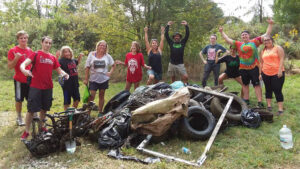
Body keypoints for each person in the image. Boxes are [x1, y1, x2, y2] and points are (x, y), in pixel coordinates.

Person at [20, 36, 69, 140]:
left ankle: (42, 127)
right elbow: (23, 64)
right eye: (46, 42)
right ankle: (27, 131)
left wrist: (65, 74)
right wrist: (24, 70)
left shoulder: (52, 57)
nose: (48, 45)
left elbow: (59, 70)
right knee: (31, 110)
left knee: (44, 109)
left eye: (50, 43)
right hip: (35, 87)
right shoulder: (36, 54)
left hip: (48, 87)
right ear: (42, 43)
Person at [219, 18, 274, 107]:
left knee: (256, 85)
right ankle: (246, 100)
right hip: (243, 69)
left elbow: (266, 34)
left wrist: (270, 24)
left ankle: (260, 102)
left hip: (254, 67)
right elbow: (227, 39)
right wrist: (222, 32)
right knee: (245, 84)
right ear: (241, 37)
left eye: (246, 35)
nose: (244, 36)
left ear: (249, 35)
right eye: (243, 35)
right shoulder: (238, 44)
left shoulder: (254, 42)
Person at [7, 30, 34, 126]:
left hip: (30, 80)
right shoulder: (13, 51)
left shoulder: (30, 50)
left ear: (27, 39)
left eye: (25, 38)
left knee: (31, 98)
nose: (23, 39)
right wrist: (16, 58)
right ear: (18, 39)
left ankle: (33, 114)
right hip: (19, 80)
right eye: (21, 38)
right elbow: (10, 66)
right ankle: (19, 117)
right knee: (19, 100)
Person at [84, 40, 116, 116]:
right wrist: (86, 79)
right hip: (93, 79)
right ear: (97, 46)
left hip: (104, 80)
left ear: (106, 48)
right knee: (91, 97)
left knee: (101, 95)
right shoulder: (91, 54)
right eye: (100, 45)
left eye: (104, 46)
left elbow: (113, 65)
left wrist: (110, 73)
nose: (102, 46)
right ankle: (88, 113)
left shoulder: (108, 56)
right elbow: (87, 67)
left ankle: (100, 112)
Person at [259, 35, 285, 115]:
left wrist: (280, 70)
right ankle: (269, 106)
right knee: (268, 89)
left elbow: (282, 59)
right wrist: (260, 73)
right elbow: (261, 63)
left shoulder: (278, 48)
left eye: (268, 40)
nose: (266, 41)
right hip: (265, 73)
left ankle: (280, 109)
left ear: (272, 40)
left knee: (277, 90)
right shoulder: (263, 51)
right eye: (265, 40)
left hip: (277, 73)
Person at [59, 46, 83, 110]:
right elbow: (57, 67)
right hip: (66, 84)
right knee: (67, 101)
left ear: (70, 52)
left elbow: (77, 62)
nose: (67, 53)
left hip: (75, 83)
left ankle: (71, 113)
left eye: (68, 51)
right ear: (62, 53)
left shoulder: (73, 60)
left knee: (77, 99)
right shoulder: (61, 61)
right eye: (65, 52)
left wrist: (80, 57)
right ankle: (66, 117)